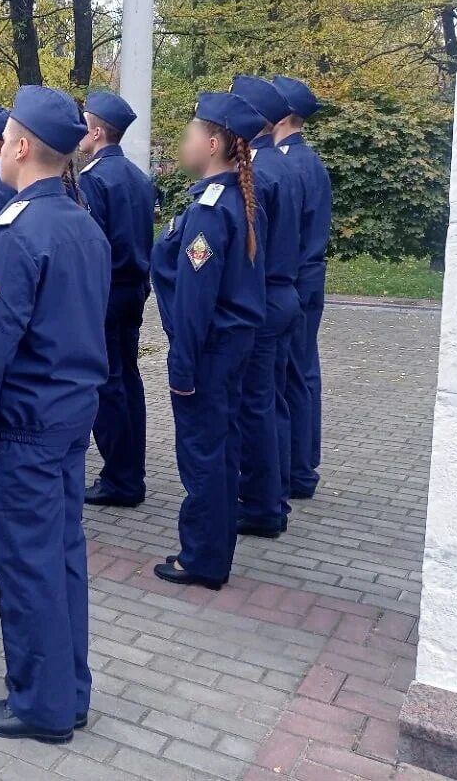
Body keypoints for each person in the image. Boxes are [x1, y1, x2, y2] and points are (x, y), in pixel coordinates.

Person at [0, 85, 110, 744]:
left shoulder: (16, 233)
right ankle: (68, 692)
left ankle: (39, 705)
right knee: (63, 557)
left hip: (24, 424)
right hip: (70, 416)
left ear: (18, 146)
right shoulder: (80, 222)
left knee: (28, 566)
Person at [151, 92, 267, 591]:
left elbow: (196, 301)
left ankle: (201, 557)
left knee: (203, 455)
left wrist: (181, 366)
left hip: (209, 351)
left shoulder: (209, 211)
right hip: (233, 345)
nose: (184, 141)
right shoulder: (235, 200)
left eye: (192, 133)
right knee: (220, 448)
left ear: (214, 142)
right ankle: (213, 551)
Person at [230, 76, 305, 537]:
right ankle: (272, 495)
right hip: (283, 294)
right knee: (270, 402)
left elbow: (249, 248)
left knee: (253, 406)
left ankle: (261, 506)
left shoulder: (257, 170)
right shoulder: (282, 164)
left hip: (262, 298)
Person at [76, 90, 157, 508]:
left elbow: (92, 245)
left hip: (107, 292)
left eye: (84, 124)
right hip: (134, 289)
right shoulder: (139, 178)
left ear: (97, 131)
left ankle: (120, 478)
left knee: (107, 385)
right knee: (129, 378)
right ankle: (131, 469)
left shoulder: (93, 179)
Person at [271, 75, 331, 501]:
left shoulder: (287, 164)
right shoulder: (306, 161)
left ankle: (296, 469)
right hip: (307, 278)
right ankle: (301, 465)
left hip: (293, 280)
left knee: (291, 375)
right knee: (303, 371)